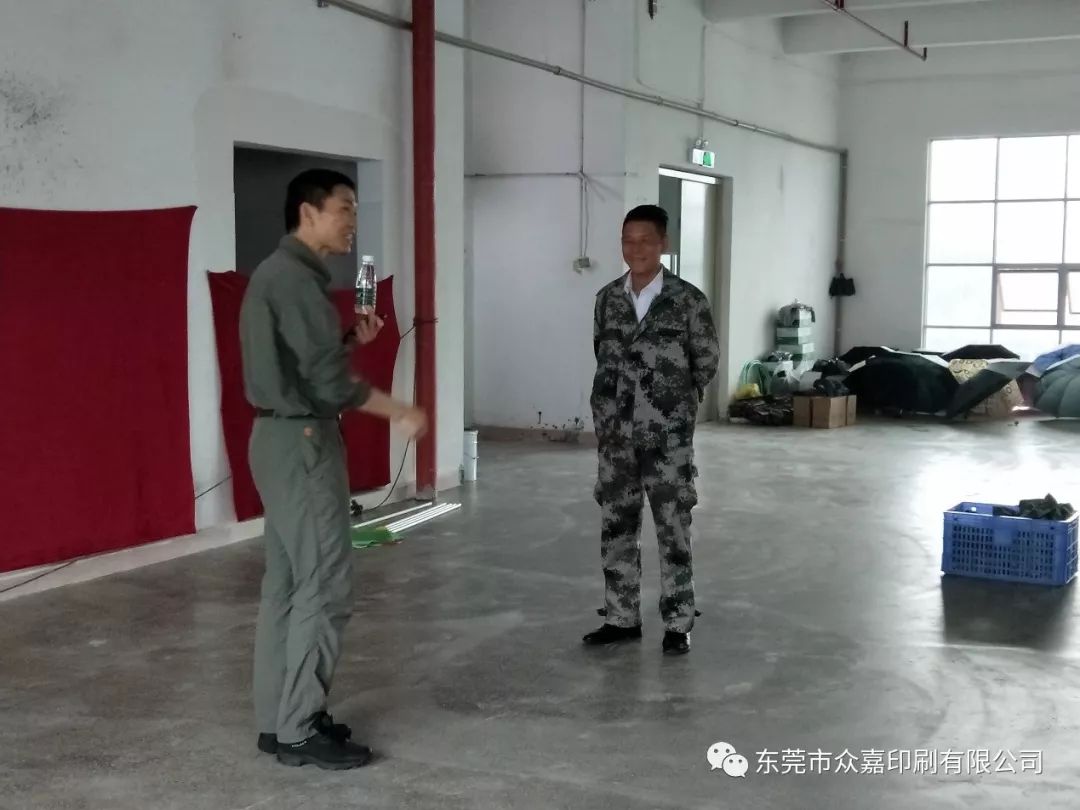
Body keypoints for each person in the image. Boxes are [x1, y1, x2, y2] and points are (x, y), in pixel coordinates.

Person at [239, 168, 427, 770]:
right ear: (309, 213)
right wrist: (399, 409)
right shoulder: (294, 279)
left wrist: (348, 341)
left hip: (277, 438)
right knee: (324, 586)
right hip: (303, 443)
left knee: (288, 585)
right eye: (344, 208)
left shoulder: (279, 275)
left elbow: (303, 366)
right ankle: (299, 728)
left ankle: (278, 721)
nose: (353, 221)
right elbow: (325, 382)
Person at [585, 204, 720, 656]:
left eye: (645, 240)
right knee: (617, 526)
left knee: (673, 528)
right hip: (616, 437)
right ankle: (621, 617)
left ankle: (678, 622)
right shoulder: (608, 299)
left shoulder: (687, 300)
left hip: (667, 439)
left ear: (664, 244)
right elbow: (601, 354)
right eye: (628, 240)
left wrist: (672, 405)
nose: (636, 248)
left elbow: (706, 361)